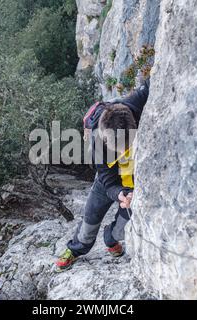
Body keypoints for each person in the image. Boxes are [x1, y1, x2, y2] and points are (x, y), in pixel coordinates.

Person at [55, 79, 150, 272]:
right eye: (115, 147)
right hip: (109, 182)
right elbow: (107, 180)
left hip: (134, 182)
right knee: (90, 220)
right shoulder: (98, 141)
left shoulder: (136, 104)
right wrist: (119, 194)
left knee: (121, 229)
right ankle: (76, 249)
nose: (121, 150)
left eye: (126, 144)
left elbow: (153, 80)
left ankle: (111, 239)